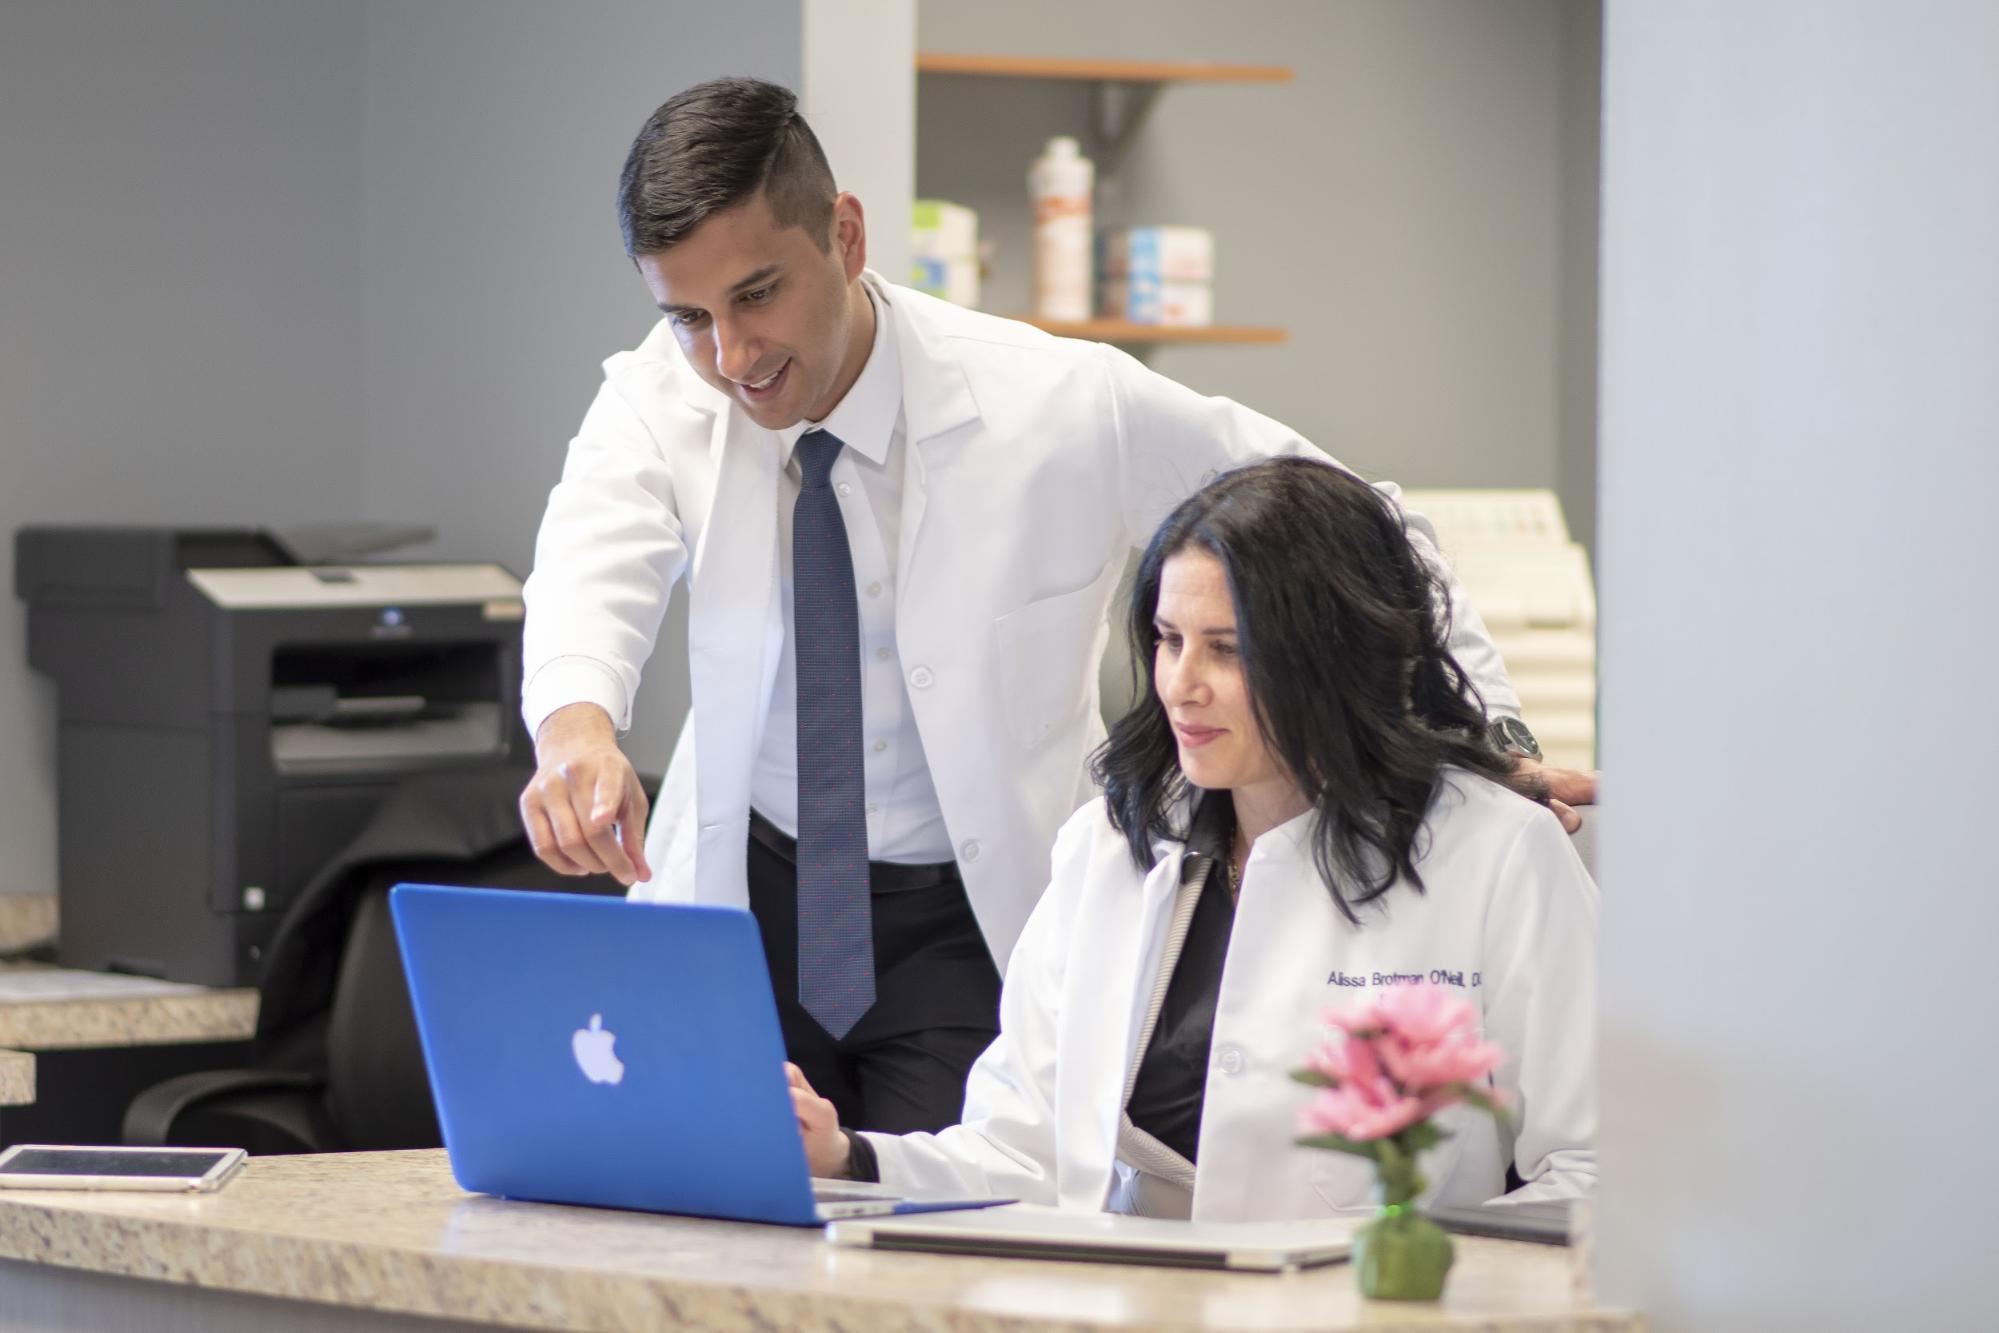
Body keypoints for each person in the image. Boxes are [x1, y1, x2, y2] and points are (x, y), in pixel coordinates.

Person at [518, 76, 1593, 1133]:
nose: (732, 356)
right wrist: (576, 722)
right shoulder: (661, 392)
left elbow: (1358, 521)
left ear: (844, 236)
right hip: (746, 892)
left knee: (924, 1241)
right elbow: (590, 550)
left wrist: (1482, 734)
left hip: (961, 920)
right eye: (689, 318)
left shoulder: (1060, 401)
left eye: (756, 295)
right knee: (714, 1217)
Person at [789, 457, 1597, 1217]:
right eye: (1168, 640)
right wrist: (844, 1154)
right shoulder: (1112, 842)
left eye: (1227, 649)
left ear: (1337, 656)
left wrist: (1405, 1265)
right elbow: (1021, 1153)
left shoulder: (1496, 855)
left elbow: (1595, 1168)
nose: (1181, 684)